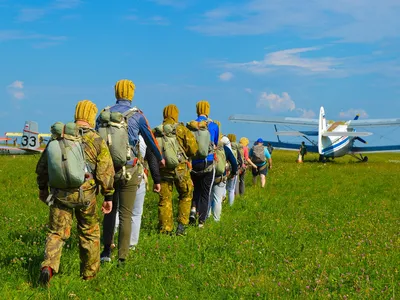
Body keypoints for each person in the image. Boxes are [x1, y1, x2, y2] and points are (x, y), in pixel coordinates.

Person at [36, 100, 115, 285]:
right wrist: (108, 196)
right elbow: (106, 172)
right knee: (89, 232)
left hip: (60, 195)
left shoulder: (59, 138)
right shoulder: (96, 139)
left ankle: (48, 267)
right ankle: (89, 275)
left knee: (56, 233)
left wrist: (42, 190)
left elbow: (42, 168)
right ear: (91, 116)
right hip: (86, 195)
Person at [99, 79, 164, 265]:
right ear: (131, 94)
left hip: (108, 171)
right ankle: (122, 257)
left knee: (109, 211)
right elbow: (151, 140)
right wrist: (160, 158)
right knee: (126, 214)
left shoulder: (103, 115)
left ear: (116, 93)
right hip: (129, 169)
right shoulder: (138, 116)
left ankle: (105, 253)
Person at [155, 104, 198, 235]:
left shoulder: (156, 131)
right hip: (181, 170)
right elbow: (193, 149)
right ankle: (181, 226)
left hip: (163, 170)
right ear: (176, 114)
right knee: (185, 195)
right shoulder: (182, 129)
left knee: (164, 200)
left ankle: (166, 229)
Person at [114, 134, 161, 250]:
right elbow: (152, 160)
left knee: (118, 209)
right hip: (139, 178)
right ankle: (131, 245)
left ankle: (111, 238)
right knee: (135, 213)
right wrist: (157, 180)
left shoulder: (117, 136)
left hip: (119, 177)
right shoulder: (143, 138)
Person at [188, 100, 219, 228]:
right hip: (208, 162)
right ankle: (201, 222)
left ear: (197, 110)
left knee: (196, 189)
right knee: (206, 192)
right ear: (208, 110)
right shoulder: (213, 126)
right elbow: (215, 144)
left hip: (194, 163)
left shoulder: (191, 125)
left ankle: (193, 209)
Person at [209, 122, 238, 221]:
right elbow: (234, 163)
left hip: (208, 174)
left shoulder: (208, 146)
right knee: (217, 199)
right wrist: (233, 173)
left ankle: (205, 218)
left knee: (208, 198)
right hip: (221, 176)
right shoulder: (225, 148)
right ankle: (216, 220)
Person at [226, 133, 241, 206]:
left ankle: (222, 201)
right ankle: (230, 205)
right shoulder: (236, 149)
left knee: (223, 187)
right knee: (231, 189)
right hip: (233, 169)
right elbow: (239, 160)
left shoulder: (225, 148)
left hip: (226, 169)